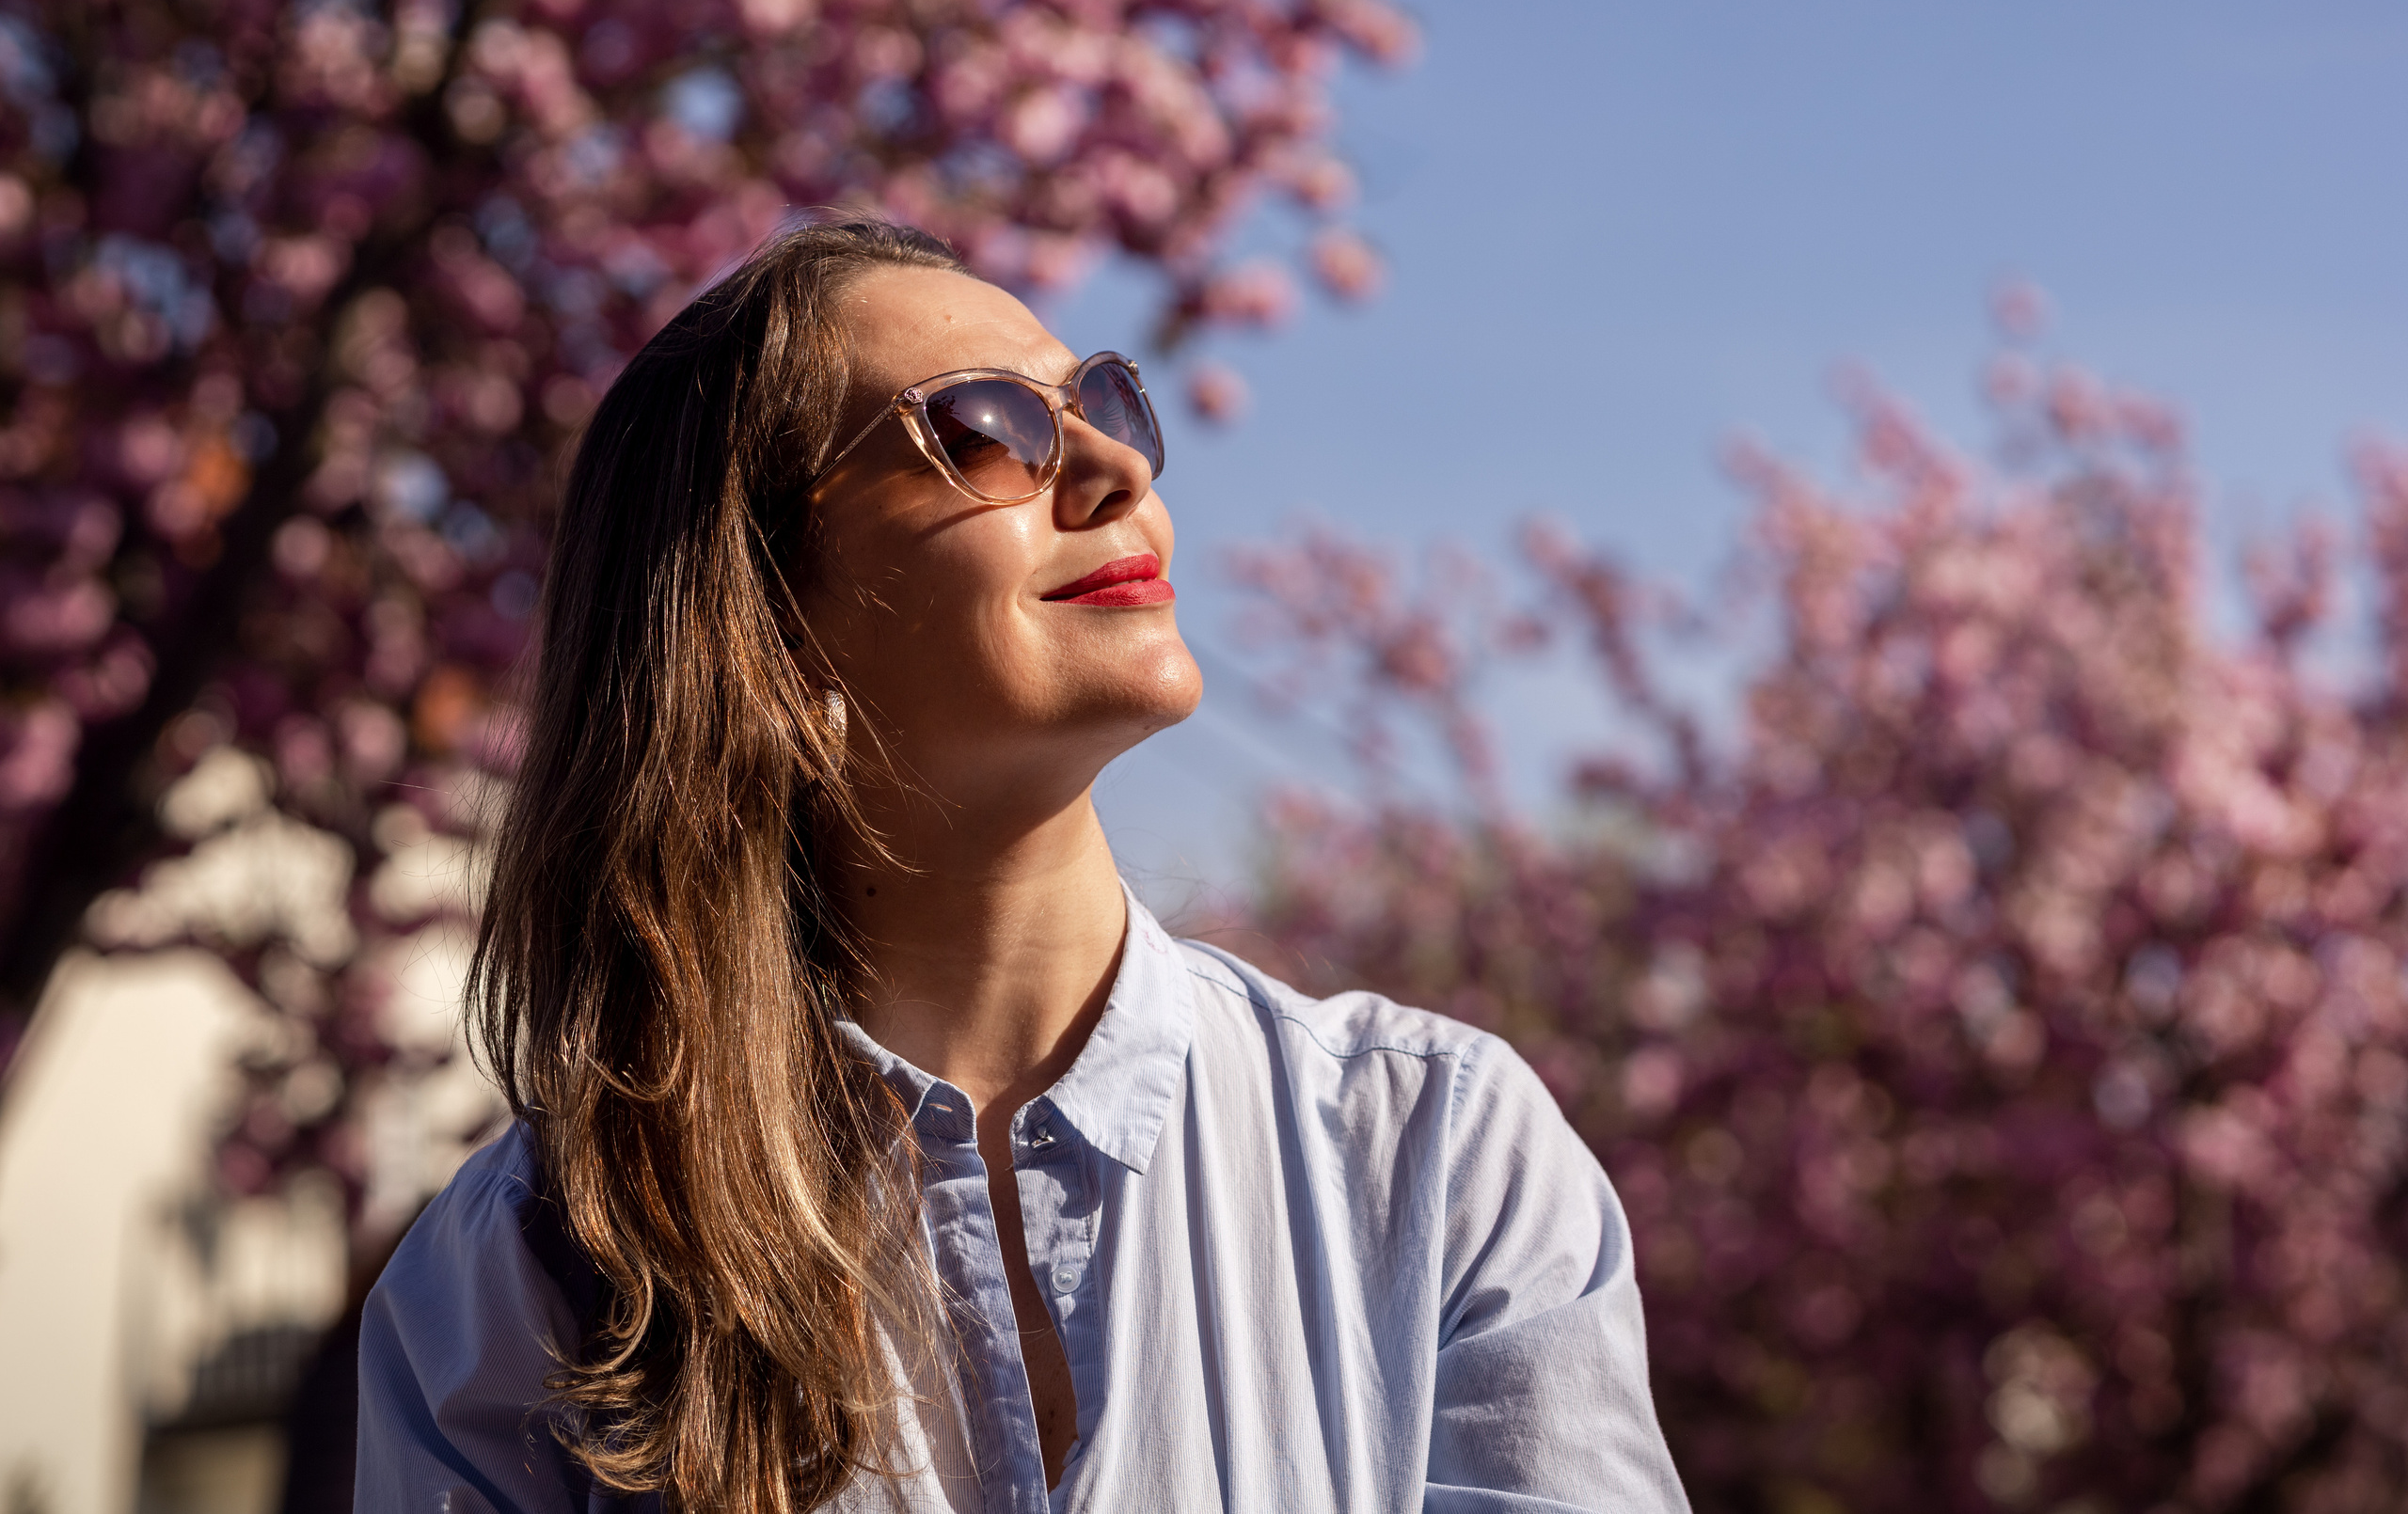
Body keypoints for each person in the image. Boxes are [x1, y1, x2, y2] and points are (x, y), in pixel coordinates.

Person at [355, 218, 1689, 1514]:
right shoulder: (521, 1282)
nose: (1115, 468)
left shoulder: (1433, 1155)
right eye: (988, 428)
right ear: (758, 623)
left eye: (1103, 401)